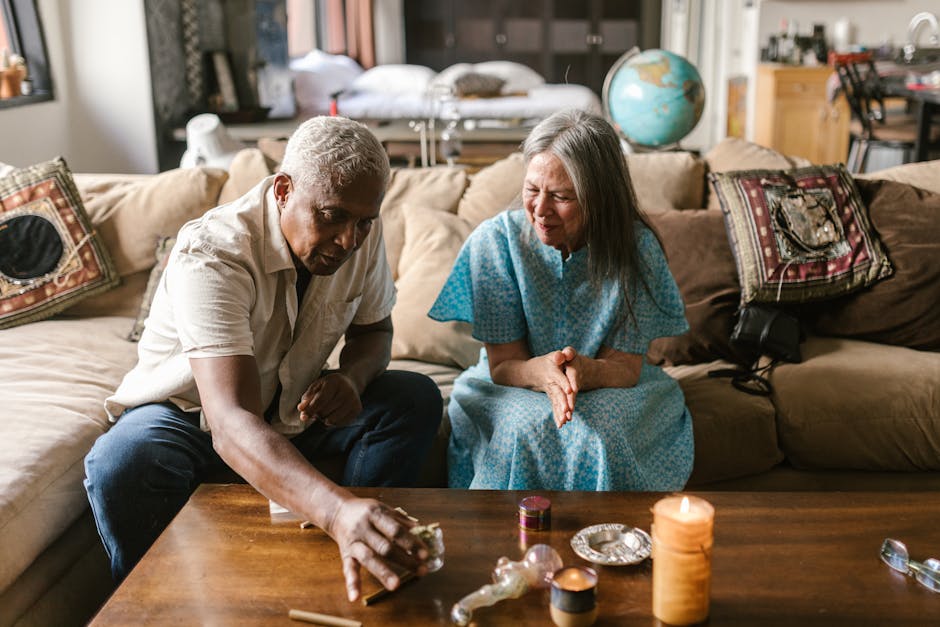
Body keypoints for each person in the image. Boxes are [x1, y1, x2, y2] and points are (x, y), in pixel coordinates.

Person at [84, 116, 442, 601]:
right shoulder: (212, 253)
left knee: (414, 397)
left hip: (290, 414)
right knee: (122, 460)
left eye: (364, 221)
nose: (349, 240)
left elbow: (375, 332)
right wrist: (336, 509)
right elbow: (230, 421)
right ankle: (159, 605)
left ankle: (367, 550)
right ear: (282, 190)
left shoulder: (359, 231)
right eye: (332, 216)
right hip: (193, 425)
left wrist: (353, 380)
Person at [429, 109, 693, 491]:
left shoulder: (638, 249)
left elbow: (625, 367)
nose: (540, 209)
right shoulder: (495, 243)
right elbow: (504, 365)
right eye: (532, 189)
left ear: (599, 199)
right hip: (511, 383)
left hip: (607, 385)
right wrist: (544, 372)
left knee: (600, 433)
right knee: (525, 428)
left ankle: (606, 540)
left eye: (561, 197)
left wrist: (586, 372)